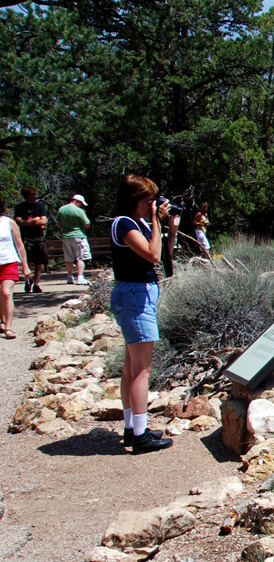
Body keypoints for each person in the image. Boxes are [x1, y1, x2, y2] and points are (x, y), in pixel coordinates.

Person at [111, 174, 173, 454]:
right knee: (141, 371)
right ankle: (140, 435)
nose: (153, 202)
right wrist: (156, 222)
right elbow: (153, 254)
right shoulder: (124, 223)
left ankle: (131, 428)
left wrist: (160, 222)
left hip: (136, 295)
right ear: (134, 199)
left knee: (130, 368)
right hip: (136, 296)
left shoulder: (137, 223)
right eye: (148, 198)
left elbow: (164, 251)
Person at [0, 197, 30, 340]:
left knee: (6, 293)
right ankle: (3, 320)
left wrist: (25, 266)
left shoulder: (9, 223)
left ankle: (8, 328)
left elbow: (19, 245)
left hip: (8, 261)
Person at [13, 186, 47, 293]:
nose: (35, 196)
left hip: (39, 237)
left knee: (39, 260)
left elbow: (44, 221)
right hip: (26, 237)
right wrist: (34, 221)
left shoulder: (39, 206)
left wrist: (27, 223)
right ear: (27, 195)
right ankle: (28, 279)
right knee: (27, 260)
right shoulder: (20, 207)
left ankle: (36, 283)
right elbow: (19, 222)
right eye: (32, 194)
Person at [57, 194, 92, 285]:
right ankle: (80, 277)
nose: (80, 205)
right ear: (77, 202)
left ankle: (70, 277)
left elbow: (58, 224)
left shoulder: (61, 209)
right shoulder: (79, 211)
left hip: (65, 236)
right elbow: (87, 224)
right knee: (80, 257)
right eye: (80, 203)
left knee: (69, 258)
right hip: (78, 236)